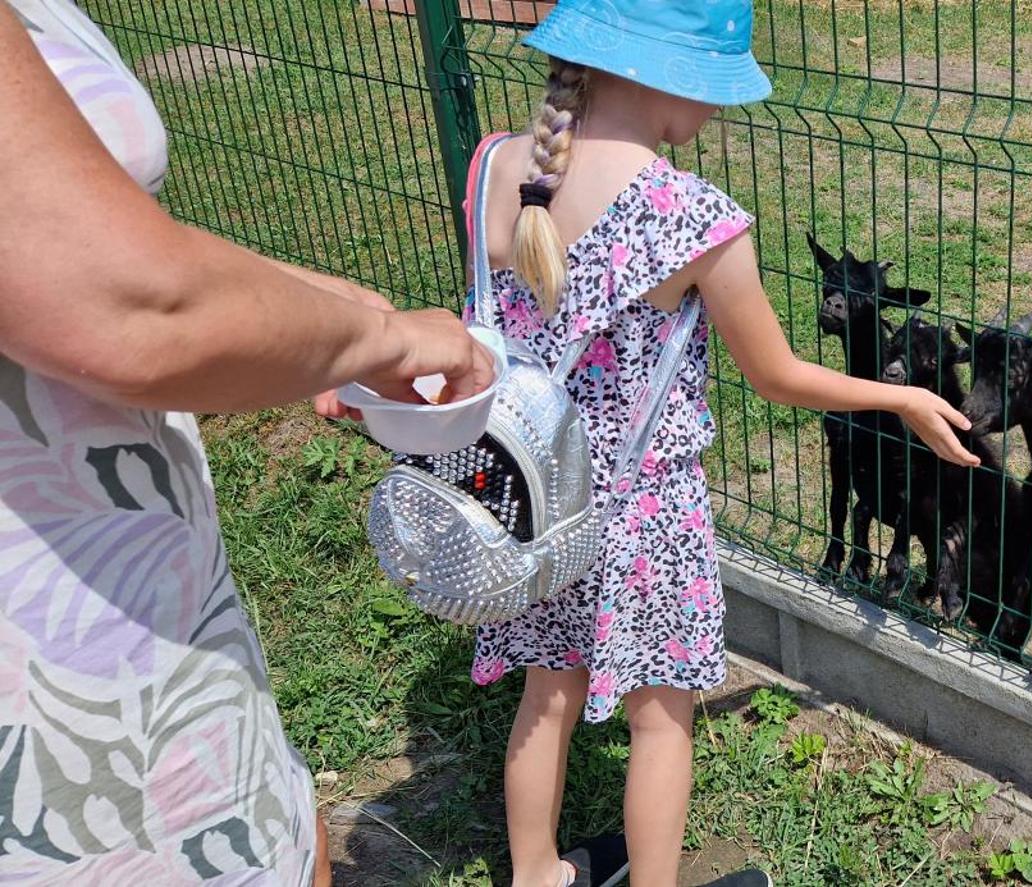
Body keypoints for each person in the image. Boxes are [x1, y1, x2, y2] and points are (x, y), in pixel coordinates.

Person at [346, 1, 979, 884]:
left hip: (526, 492)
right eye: (717, 85)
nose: (719, 109)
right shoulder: (690, 216)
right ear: (664, 71)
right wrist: (904, 393)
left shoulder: (497, 165)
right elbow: (779, 374)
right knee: (662, 714)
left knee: (547, 689)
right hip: (646, 508)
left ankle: (535, 873)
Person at [0, 0, 494, 882]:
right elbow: (125, 306)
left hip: (143, 626)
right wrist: (383, 340)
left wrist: (336, 311)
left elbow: (93, 236)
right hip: (59, 715)